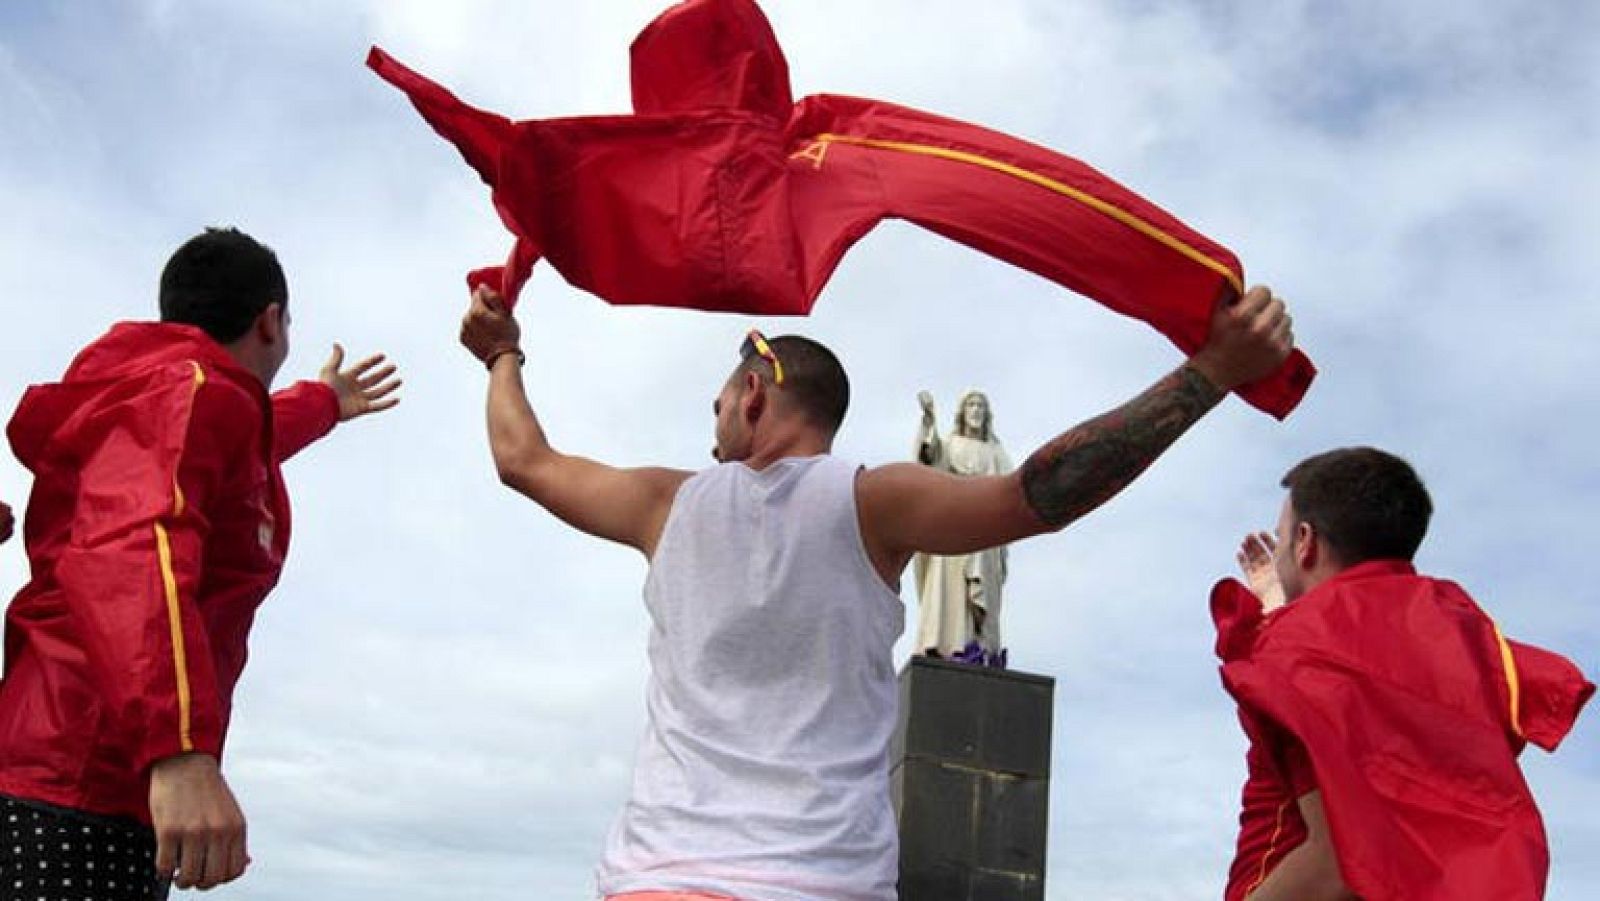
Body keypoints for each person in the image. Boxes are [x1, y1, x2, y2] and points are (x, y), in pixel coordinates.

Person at [459, 281, 1293, 901]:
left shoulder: (664, 503)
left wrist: (503, 352)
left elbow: (523, 459)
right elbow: (1039, 495)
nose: (711, 429)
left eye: (716, 406)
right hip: (825, 880)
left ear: (753, 392)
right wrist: (1211, 373)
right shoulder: (873, 501)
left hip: (661, 876)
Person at [0, 228, 402, 899]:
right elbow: (130, 543)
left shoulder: (173, 397)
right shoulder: (184, 393)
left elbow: (230, 451)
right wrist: (178, 747)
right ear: (270, 320)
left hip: (86, 775)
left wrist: (323, 403)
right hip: (78, 778)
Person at [1214, 448, 1593, 901]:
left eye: (1281, 540)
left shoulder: (1298, 651)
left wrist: (1285, 631)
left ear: (1305, 542)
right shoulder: (1458, 632)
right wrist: (1282, 611)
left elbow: (1339, 861)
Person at [911, 389, 1013, 658]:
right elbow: (929, 462)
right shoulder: (951, 444)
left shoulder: (996, 452)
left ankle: (978, 647)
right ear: (963, 412)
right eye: (971, 405)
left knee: (982, 593)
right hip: (955, 525)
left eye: (981, 405)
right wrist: (930, 420)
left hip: (986, 531)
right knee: (948, 584)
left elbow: (1011, 491)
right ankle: (946, 643)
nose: (976, 410)